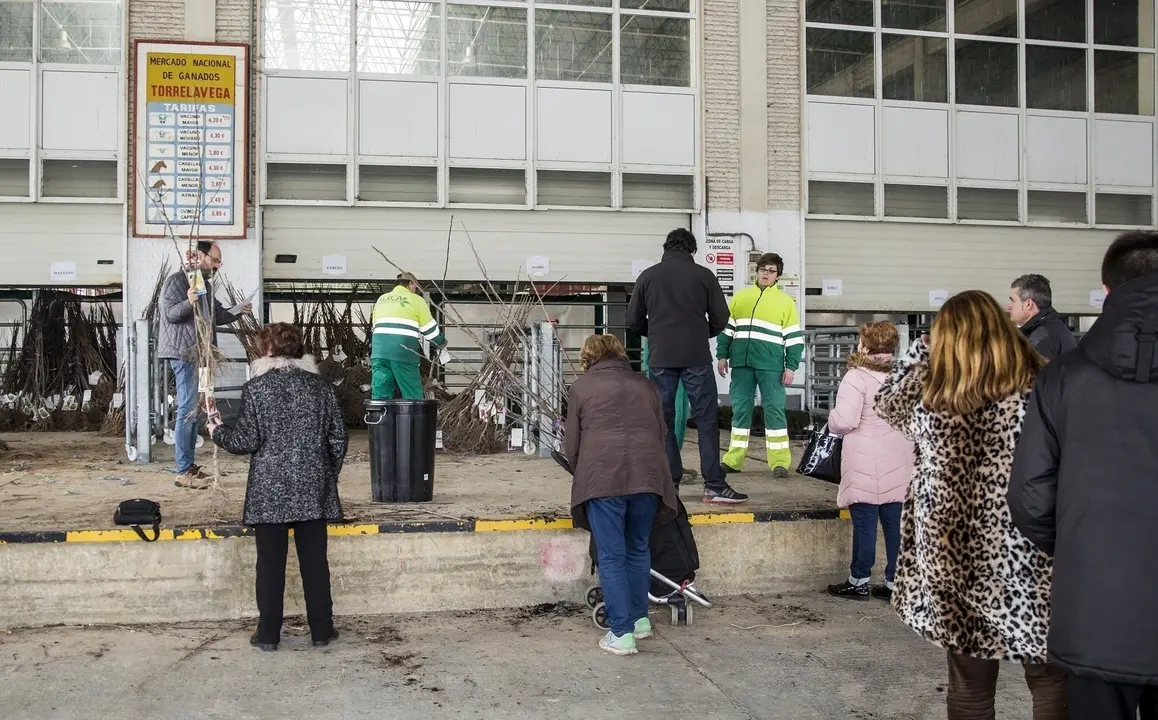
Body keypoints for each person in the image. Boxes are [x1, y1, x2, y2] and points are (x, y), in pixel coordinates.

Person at [874, 290, 1067, 720]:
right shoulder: (1044, 384)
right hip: (1033, 548)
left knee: (969, 686)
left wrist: (922, 350)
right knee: (1050, 676)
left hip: (954, 555)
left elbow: (887, 402)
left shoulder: (933, 395)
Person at [1009, 230, 1158, 720]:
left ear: (1106, 289)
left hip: (1095, 612)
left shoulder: (1062, 376)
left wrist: (1081, 546)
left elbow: (1029, 497)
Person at [208, 322, 348, 652]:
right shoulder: (321, 388)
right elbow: (338, 439)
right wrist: (327, 475)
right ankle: (322, 631)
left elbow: (245, 441)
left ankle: (268, 634)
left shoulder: (257, 389)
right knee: (315, 564)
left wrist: (216, 430)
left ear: (267, 350)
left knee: (269, 566)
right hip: (313, 489)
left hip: (269, 491)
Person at [563, 334, 679, 656]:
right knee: (638, 548)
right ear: (619, 354)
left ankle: (621, 633)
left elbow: (571, 444)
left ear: (589, 357)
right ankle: (640, 621)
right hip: (649, 476)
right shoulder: (646, 385)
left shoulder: (581, 388)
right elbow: (661, 432)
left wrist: (583, 471)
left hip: (603, 478)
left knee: (612, 555)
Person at [626, 228, 744, 504]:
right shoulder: (704, 275)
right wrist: (701, 334)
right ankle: (714, 485)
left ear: (666, 248)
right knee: (706, 421)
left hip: (660, 358)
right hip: (696, 358)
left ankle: (670, 485)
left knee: (663, 423)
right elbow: (721, 317)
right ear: (692, 250)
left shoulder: (648, 276)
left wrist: (655, 333)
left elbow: (632, 319)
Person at [824, 321, 913, 602]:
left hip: (864, 459)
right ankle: (894, 583)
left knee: (864, 524)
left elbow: (844, 421)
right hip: (900, 458)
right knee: (894, 525)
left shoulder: (856, 377)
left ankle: (859, 580)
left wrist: (830, 420)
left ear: (866, 345)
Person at [157, 240, 250, 488]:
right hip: (185, 354)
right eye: (215, 260)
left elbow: (217, 314)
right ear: (200, 256)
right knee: (188, 410)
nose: (218, 265)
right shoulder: (177, 281)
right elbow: (170, 314)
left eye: (219, 262)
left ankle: (189, 467)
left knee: (196, 411)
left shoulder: (203, 284)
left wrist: (239, 310)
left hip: (202, 354)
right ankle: (183, 470)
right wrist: (189, 301)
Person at [716, 252, 803, 478]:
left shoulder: (785, 302)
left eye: (771, 271)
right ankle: (733, 460)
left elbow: (793, 338)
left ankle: (780, 462)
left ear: (778, 276)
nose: (766, 274)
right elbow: (728, 330)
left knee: (774, 410)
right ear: (757, 271)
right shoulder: (740, 298)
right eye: (763, 269)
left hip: (771, 366)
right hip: (742, 365)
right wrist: (722, 355)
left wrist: (791, 366)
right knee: (740, 411)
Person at [370, 272, 447, 400]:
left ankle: (380, 418)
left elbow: (375, 327)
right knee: (412, 394)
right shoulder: (416, 300)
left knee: (380, 394)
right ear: (410, 284)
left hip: (379, 354)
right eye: (415, 286)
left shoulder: (381, 299)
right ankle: (412, 419)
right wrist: (440, 341)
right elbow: (429, 330)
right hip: (403, 354)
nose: (415, 290)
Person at [1007, 274, 1076, 361]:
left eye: (1013, 300)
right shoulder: (1052, 327)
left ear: (1028, 304)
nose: (1009, 306)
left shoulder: (1040, 339)